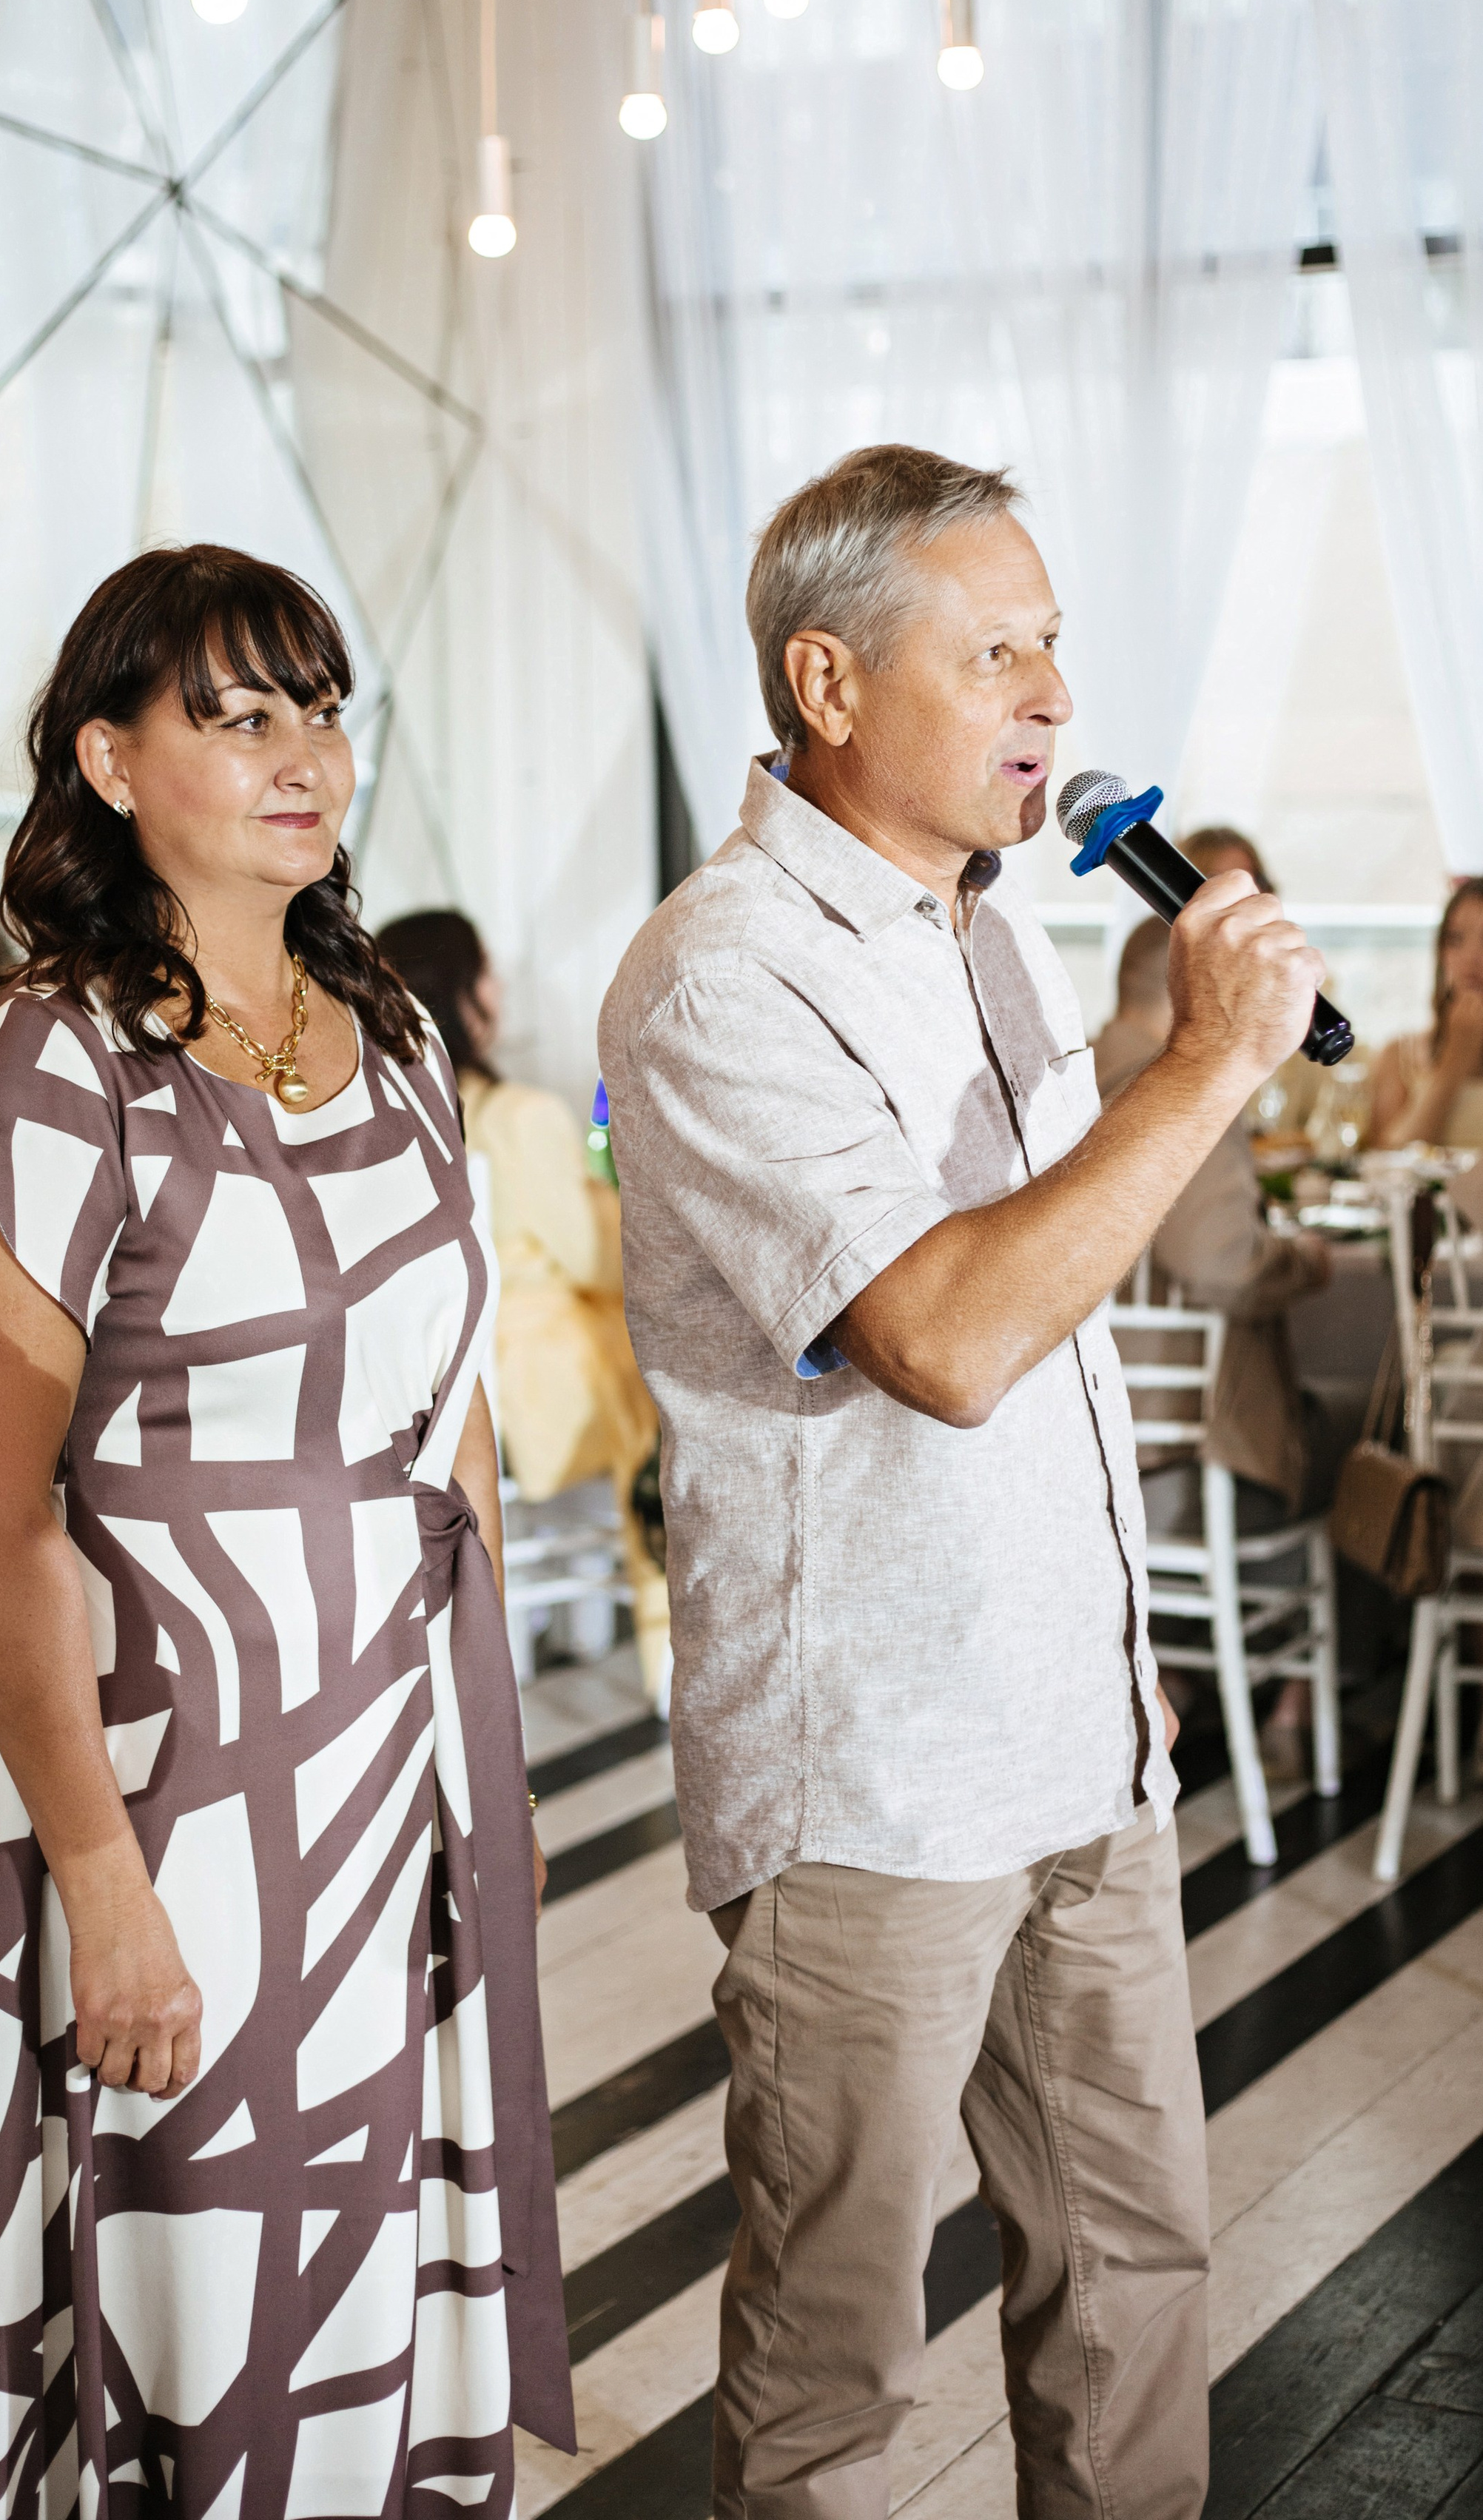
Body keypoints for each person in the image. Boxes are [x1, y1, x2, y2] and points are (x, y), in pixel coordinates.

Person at [599, 443, 1327, 2519]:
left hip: (1072, 1741)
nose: (1054, 701)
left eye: (1056, 649)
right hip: (875, 1780)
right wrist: (1199, 1067)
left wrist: (1119, 1652)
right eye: (998, 650)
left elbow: (1070, 1302)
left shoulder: (985, 933)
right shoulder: (726, 971)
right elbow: (944, 1339)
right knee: (836, 2361)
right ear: (826, 685)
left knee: (1130, 2278)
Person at [0, 548, 571, 2520]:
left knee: (377, 2234)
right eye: (237, 714)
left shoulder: (402, 1037)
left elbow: (463, 1433)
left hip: (394, 1749)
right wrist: (97, 1876)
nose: (303, 755)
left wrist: (484, 1768)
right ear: (106, 761)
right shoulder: (51, 1063)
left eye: (323, 707)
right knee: (196, 2257)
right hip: (167, 1769)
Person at [375, 908, 664, 1679]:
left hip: (430, 1389)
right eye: (487, 973)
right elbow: (601, 1260)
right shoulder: (522, 1116)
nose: (499, 988)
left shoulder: (387, 1119)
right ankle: (672, 1631)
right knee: (677, 1382)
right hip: (538, 1382)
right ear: (461, 994)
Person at [1095, 910, 1331, 1516]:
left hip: (1089, 1426)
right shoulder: (1182, 1102)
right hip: (1180, 1450)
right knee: (1353, 1435)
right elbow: (1219, 1263)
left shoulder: (1065, 1085)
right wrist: (1303, 1262)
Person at [1368, 877, 1483, 1151]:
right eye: (1455, 939)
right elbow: (1388, 1160)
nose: (1472, 957)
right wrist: (1454, 1061)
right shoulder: (1401, 1055)